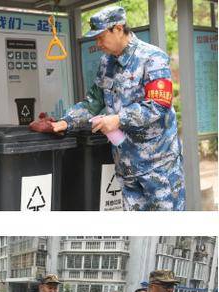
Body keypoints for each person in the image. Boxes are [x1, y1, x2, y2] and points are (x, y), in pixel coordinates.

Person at [46, 6, 185, 211]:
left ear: (118, 28)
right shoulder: (106, 63)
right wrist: (66, 121)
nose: (98, 43)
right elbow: (93, 102)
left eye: (101, 37)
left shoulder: (152, 58)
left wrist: (118, 119)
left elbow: (159, 105)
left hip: (158, 165)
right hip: (126, 166)